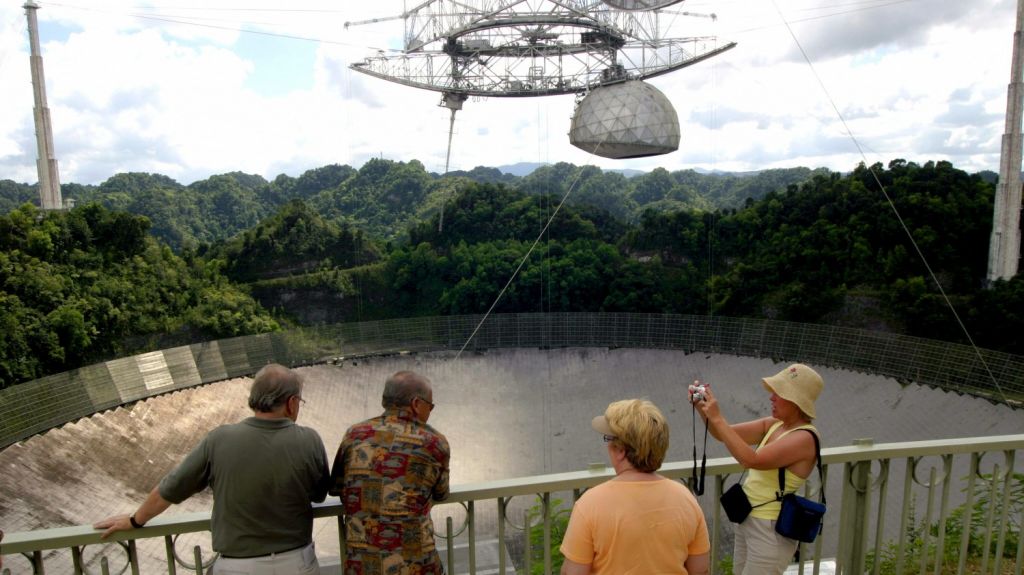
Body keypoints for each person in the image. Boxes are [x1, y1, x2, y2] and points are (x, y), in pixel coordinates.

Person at [94, 364, 331, 575]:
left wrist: (135, 521)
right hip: (297, 563)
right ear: (291, 403)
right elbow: (319, 494)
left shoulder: (219, 439)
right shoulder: (310, 440)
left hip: (237, 566)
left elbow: (171, 489)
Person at [692, 363, 824, 575]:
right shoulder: (775, 424)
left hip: (770, 530)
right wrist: (703, 407)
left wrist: (717, 417)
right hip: (748, 518)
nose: (771, 397)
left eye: (778, 393)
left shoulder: (805, 438)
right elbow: (722, 434)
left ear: (796, 401)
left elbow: (751, 459)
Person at [560, 399, 710, 575]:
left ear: (621, 450)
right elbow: (700, 570)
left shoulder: (590, 505)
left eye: (608, 439)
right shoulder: (686, 499)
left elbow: (573, 573)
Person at [330, 370, 450, 574]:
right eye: (430, 406)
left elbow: (337, 489)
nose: (430, 411)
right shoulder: (434, 442)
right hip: (415, 566)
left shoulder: (354, 434)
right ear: (416, 404)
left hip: (363, 566)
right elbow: (441, 493)